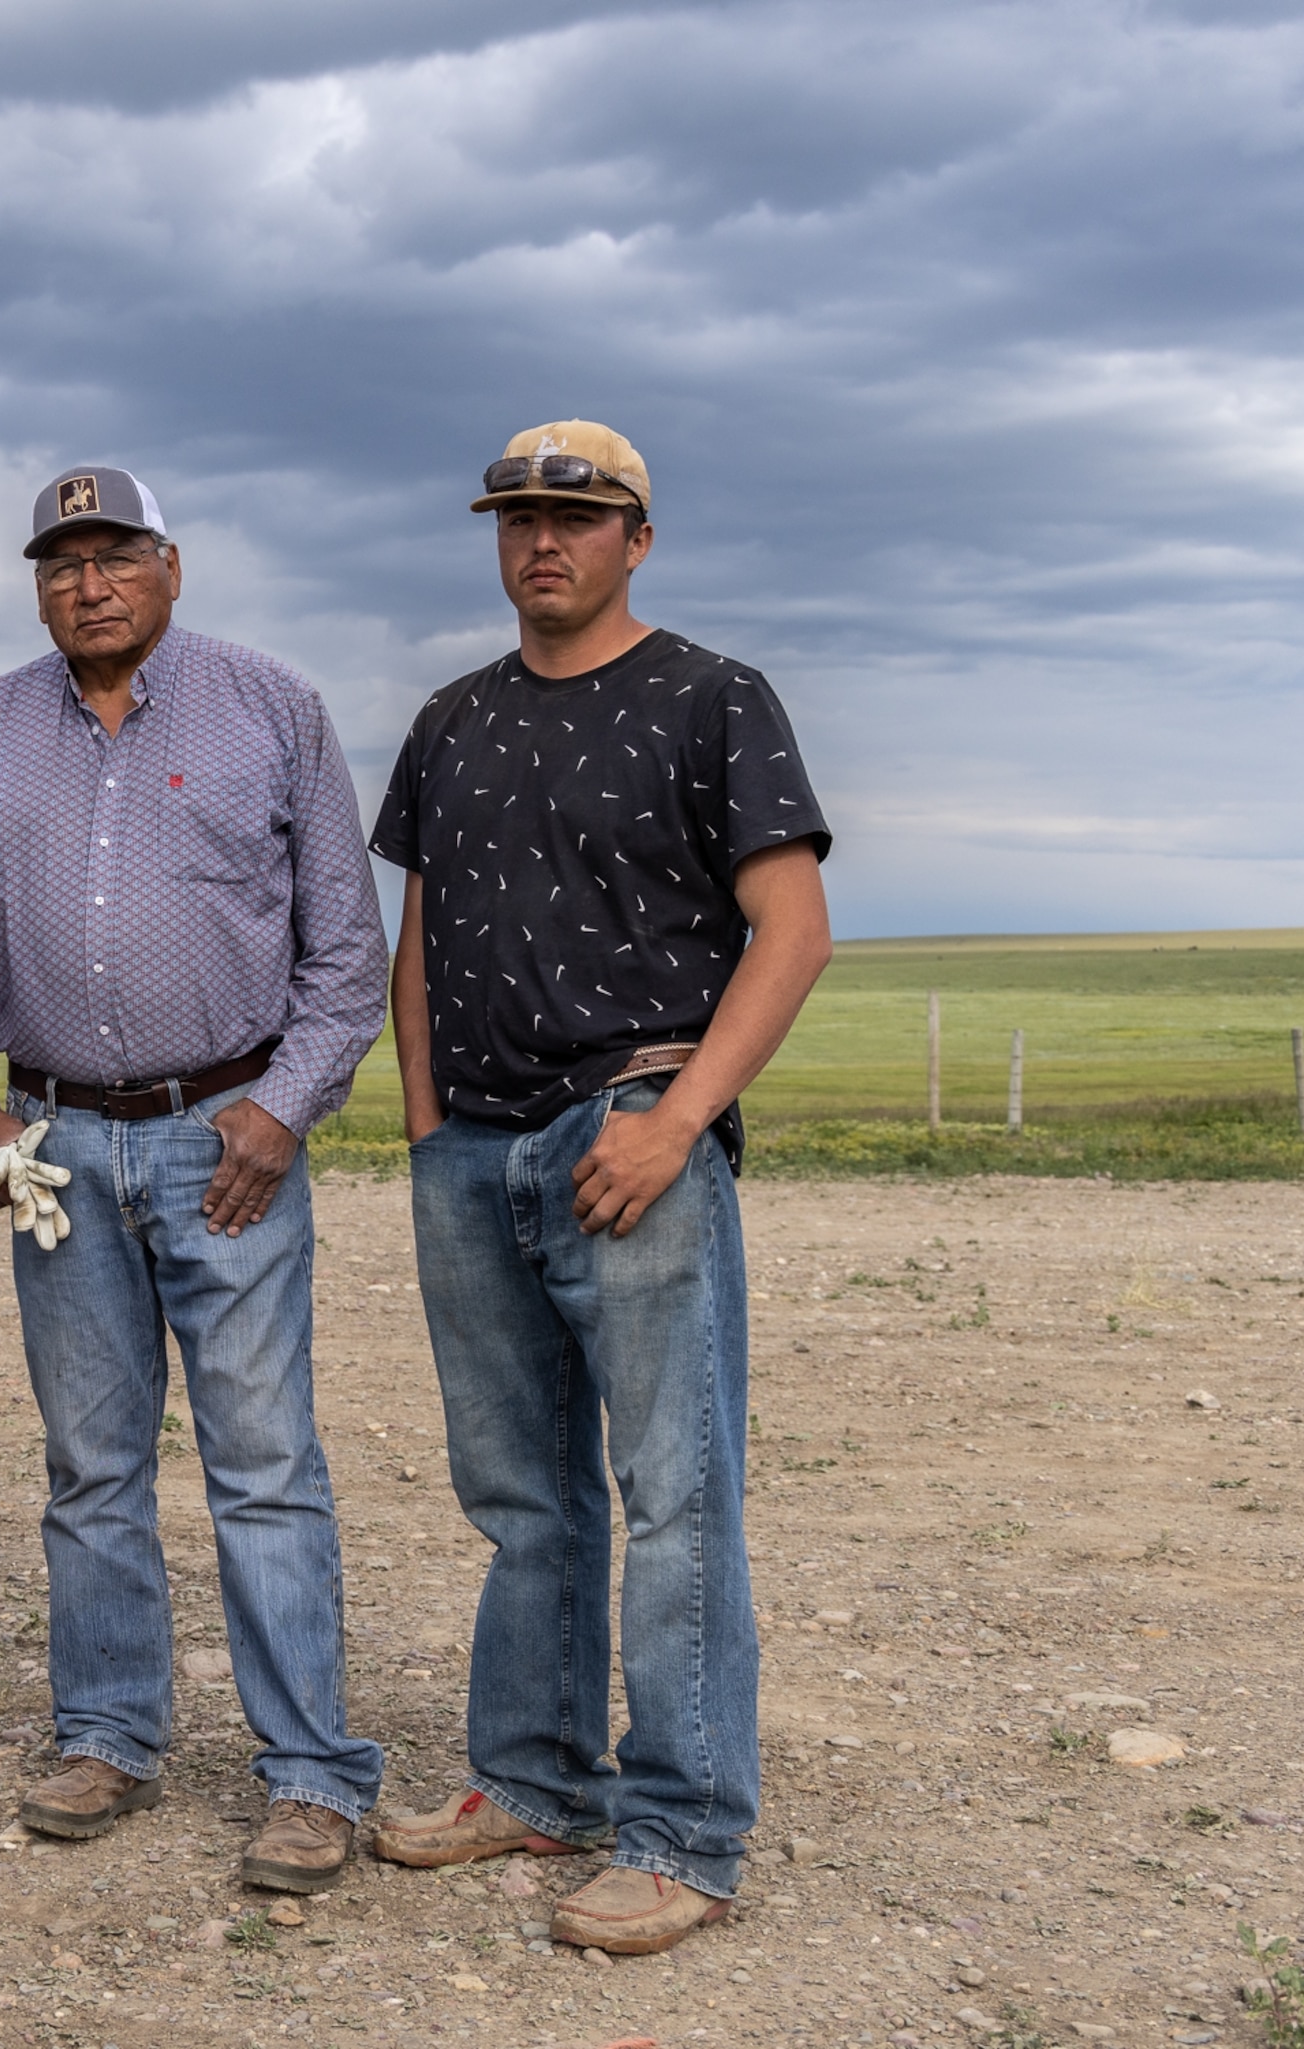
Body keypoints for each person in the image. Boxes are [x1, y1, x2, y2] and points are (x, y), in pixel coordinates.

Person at [363, 422, 833, 1957]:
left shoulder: (713, 699)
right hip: (473, 1149)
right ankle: (533, 1778)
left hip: (629, 1126)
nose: (541, 540)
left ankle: (684, 1830)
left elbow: (793, 929)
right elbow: (421, 928)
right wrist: (428, 1126)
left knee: (676, 1493)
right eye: (517, 516)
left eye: (575, 516)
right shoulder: (450, 720)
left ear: (638, 536)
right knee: (521, 1493)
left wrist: (678, 1120)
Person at [0, 463, 393, 1893]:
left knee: (263, 1461)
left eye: (117, 554)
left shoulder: (273, 708)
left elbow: (346, 952)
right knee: (91, 1462)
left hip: (224, 1139)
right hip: (56, 1144)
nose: (90, 583)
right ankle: (109, 1734)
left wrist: (283, 1110)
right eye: (62, 563)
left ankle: (308, 1772)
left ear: (171, 567)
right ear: (37, 588)